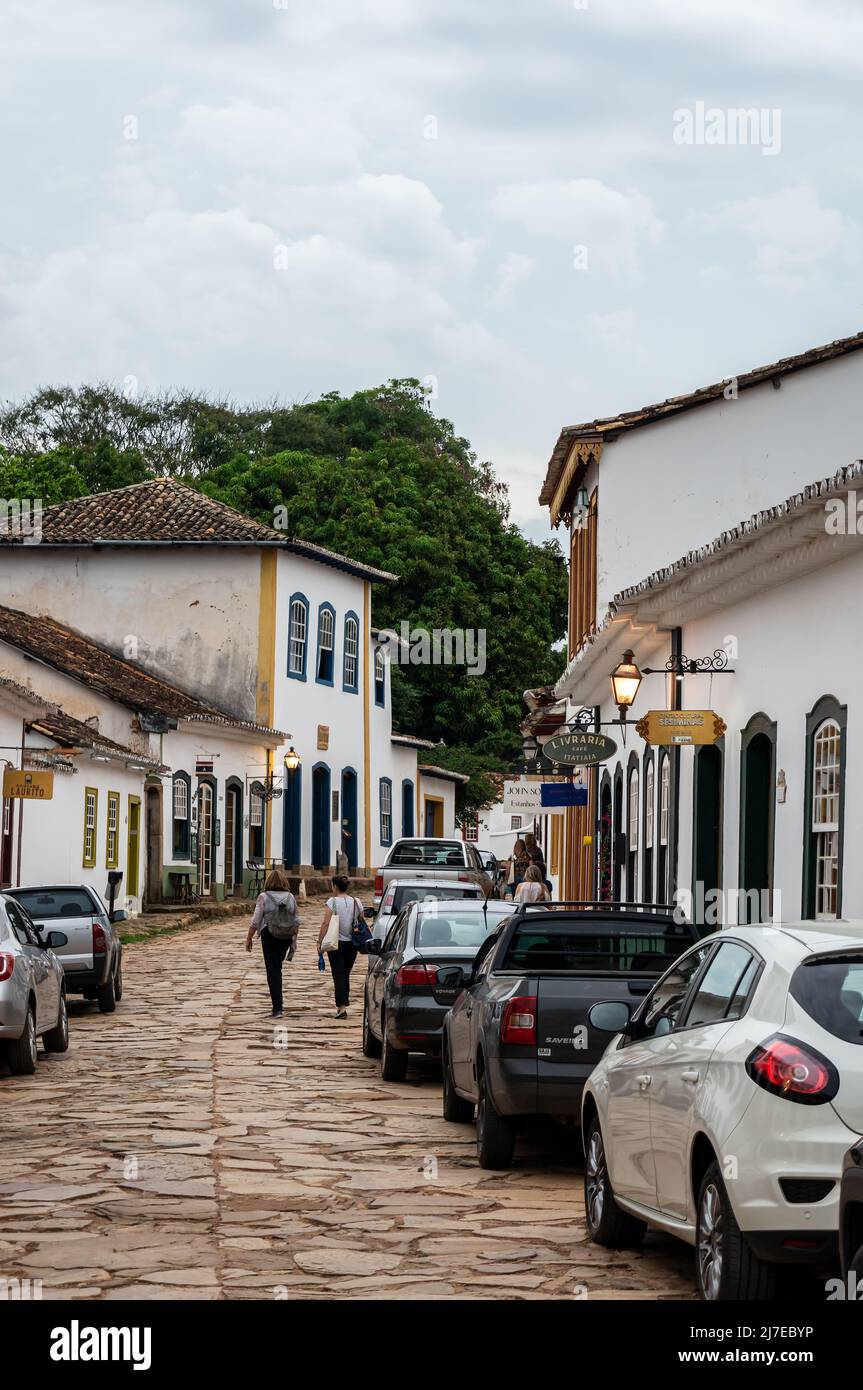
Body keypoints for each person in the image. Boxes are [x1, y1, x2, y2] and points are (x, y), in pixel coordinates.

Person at [245, 868, 300, 1019]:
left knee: (273, 970)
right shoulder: (290, 897)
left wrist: (249, 938)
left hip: (269, 934)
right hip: (286, 936)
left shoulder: (264, 897)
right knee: (277, 967)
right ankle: (278, 1006)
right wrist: (294, 941)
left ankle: (277, 1008)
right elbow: (296, 921)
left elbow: (256, 920)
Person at [317, 874, 363, 1019]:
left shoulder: (332, 902)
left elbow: (325, 923)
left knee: (338, 974)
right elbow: (361, 919)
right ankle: (343, 1002)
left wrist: (319, 941)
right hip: (352, 944)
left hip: (336, 944)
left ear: (335, 887)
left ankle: (341, 1007)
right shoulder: (356, 902)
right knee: (345, 973)